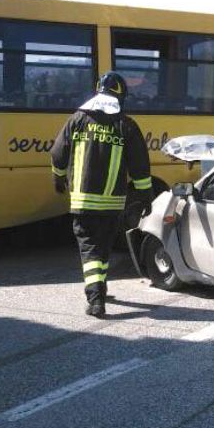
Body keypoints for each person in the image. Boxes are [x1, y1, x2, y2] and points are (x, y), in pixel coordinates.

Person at [51, 72, 153, 317]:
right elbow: (140, 165)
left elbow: (57, 153)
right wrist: (145, 195)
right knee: (102, 249)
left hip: (82, 201)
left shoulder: (77, 120)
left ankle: (96, 296)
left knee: (89, 250)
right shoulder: (126, 125)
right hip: (112, 204)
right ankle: (99, 290)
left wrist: (58, 175)